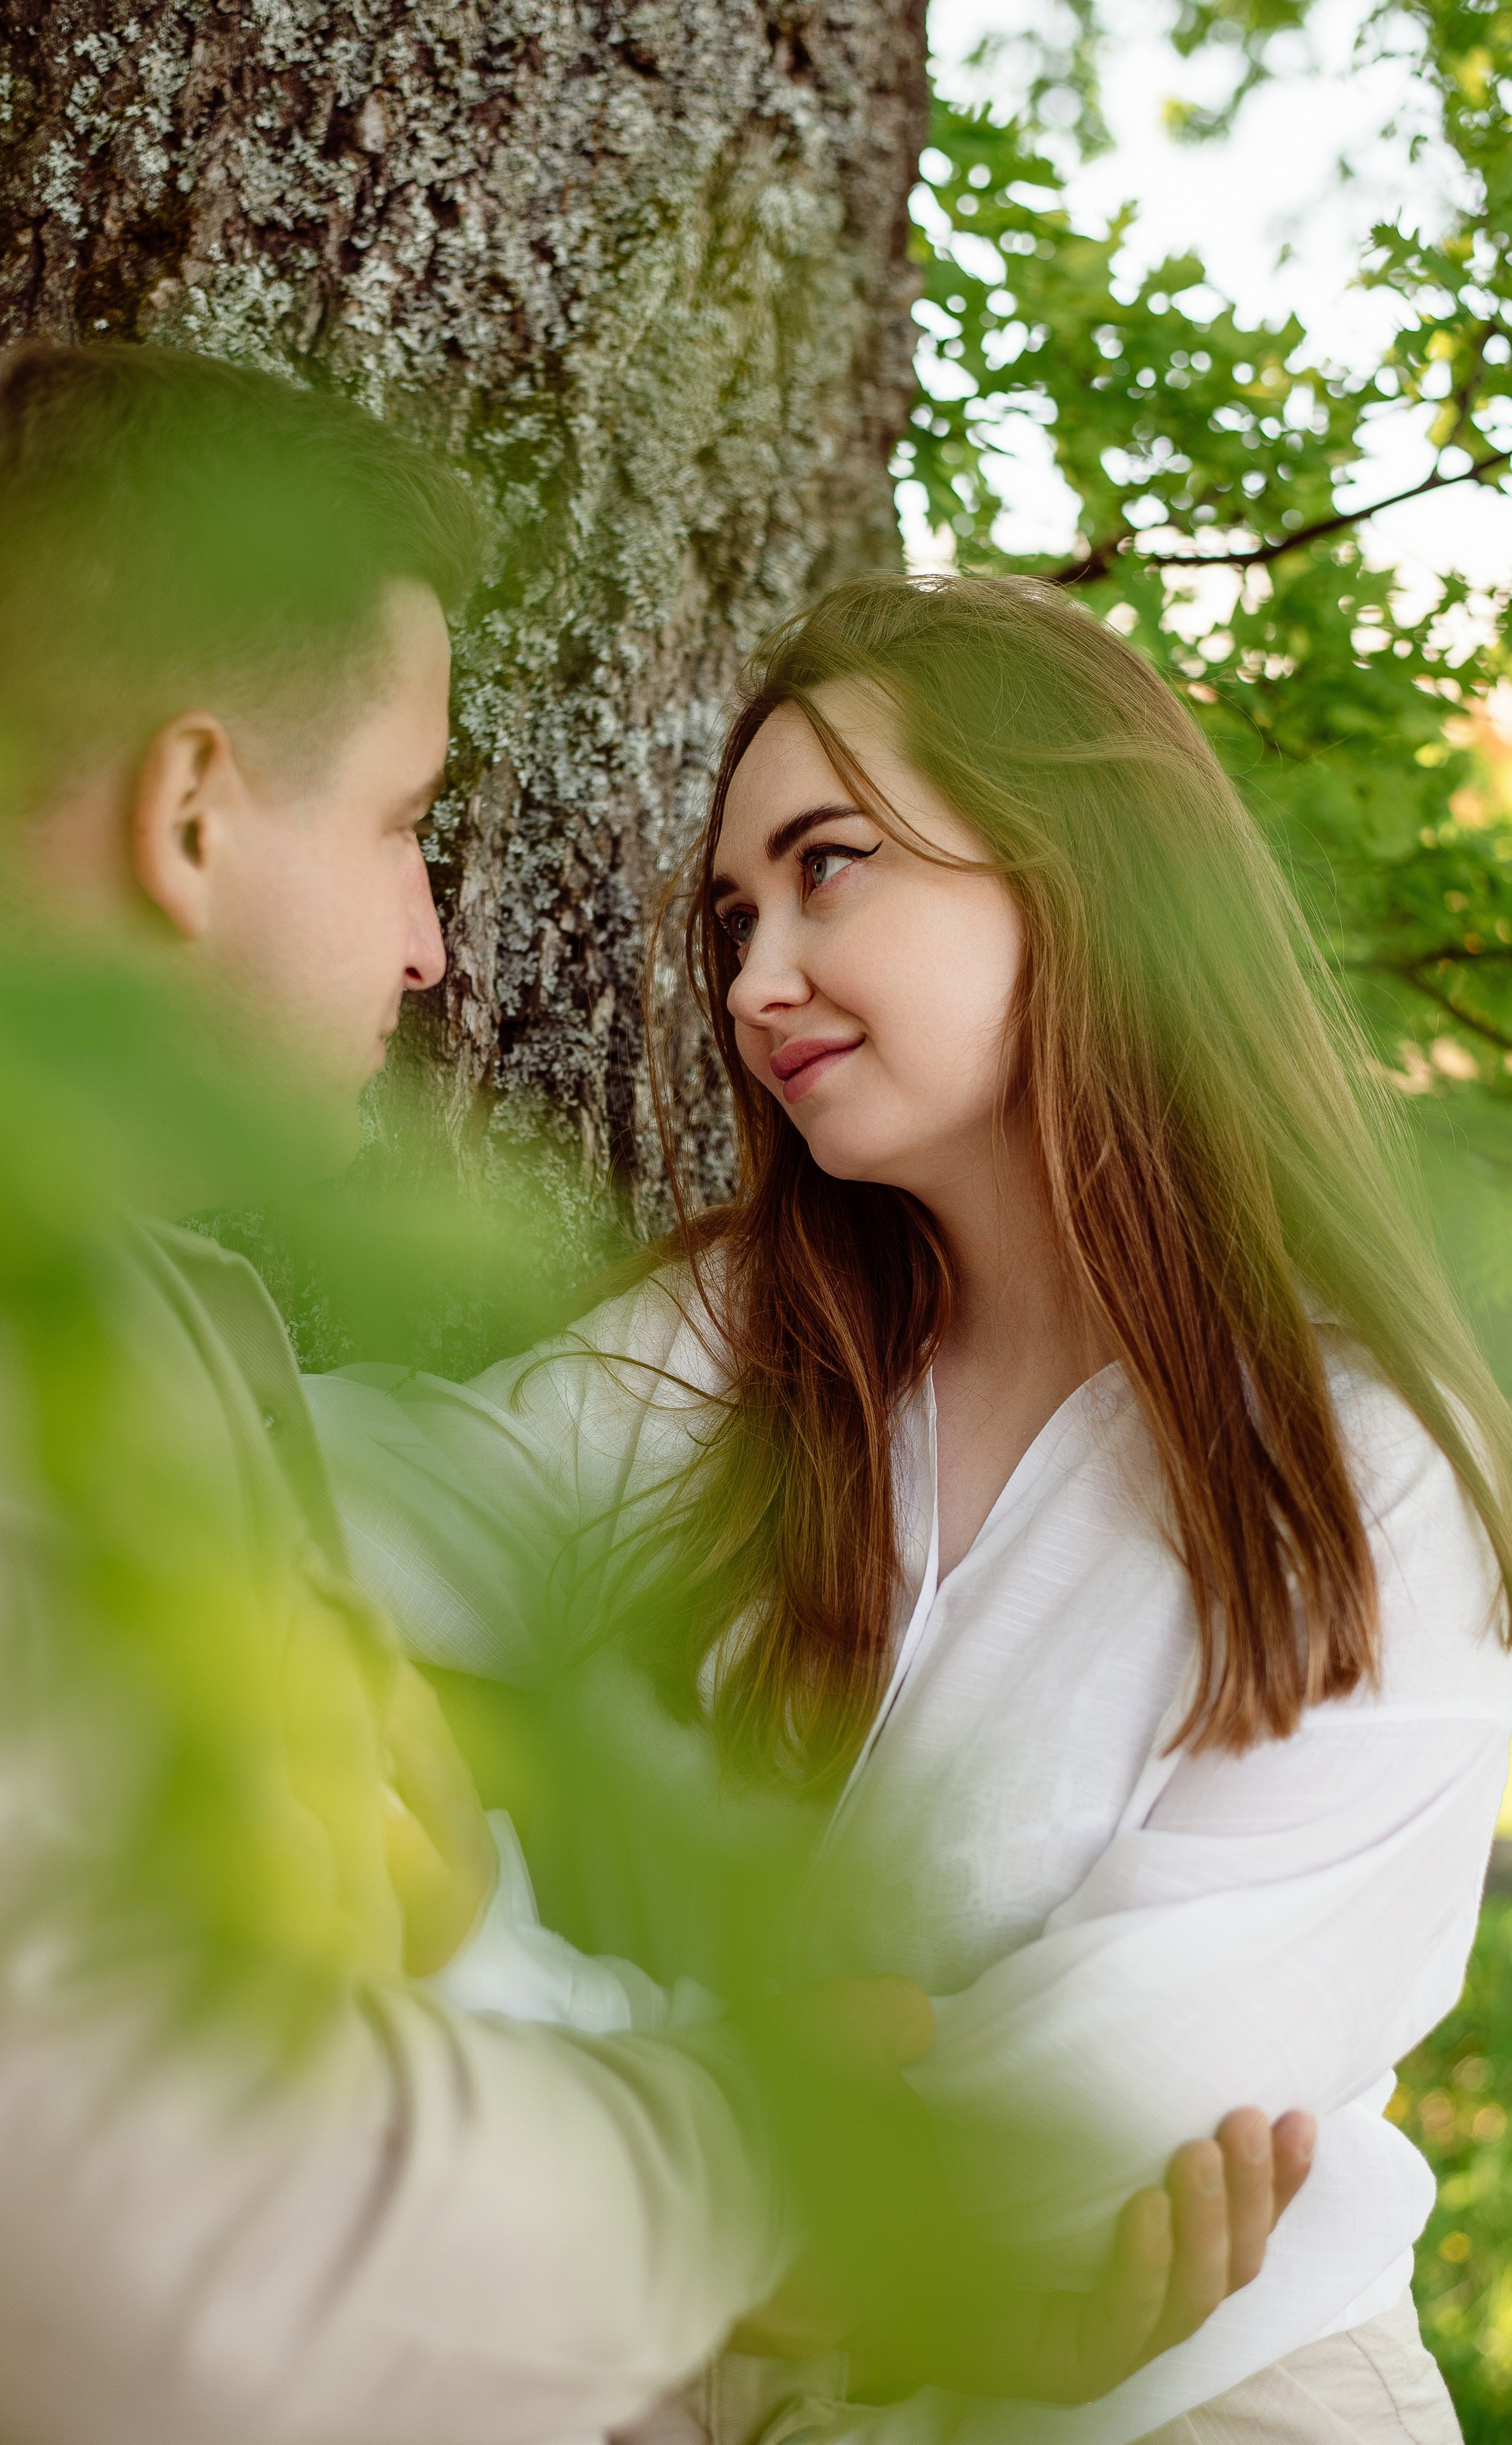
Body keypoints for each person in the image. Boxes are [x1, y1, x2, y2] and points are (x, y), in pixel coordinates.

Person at [0, 347, 1301, 2445]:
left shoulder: (155, 1316)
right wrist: (759, 2163)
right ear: (189, 817)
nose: (434, 945)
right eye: (403, 824)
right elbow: (177, 2257)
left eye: (835, 870)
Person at [309, 572, 1512, 2445]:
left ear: (1080, 871)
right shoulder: (742, 1343)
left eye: (830, 868)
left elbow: (1072, 2125)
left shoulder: (1368, 1462)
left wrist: (507, 2003)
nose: (751, 981)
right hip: (690, 2376)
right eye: (735, 916)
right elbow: (333, 1510)